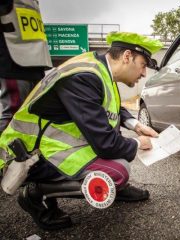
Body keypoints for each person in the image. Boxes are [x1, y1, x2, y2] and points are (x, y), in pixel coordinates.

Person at [0, 31, 163, 230]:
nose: (144, 73)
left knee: (119, 157)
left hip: (54, 146)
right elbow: (106, 145)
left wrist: (135, 125)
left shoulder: (99, 69)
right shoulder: (84, 77)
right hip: (31, 157)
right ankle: (36, 193)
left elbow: (110, 108)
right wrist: (138, 142)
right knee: (118, 171)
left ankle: (116, 188)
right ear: (127, 56)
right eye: (143, 65)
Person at [0, 0, 52, 135]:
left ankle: (19, 153)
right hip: (13, 63)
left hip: (36, 63)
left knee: (33, 116)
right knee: (13, 116)